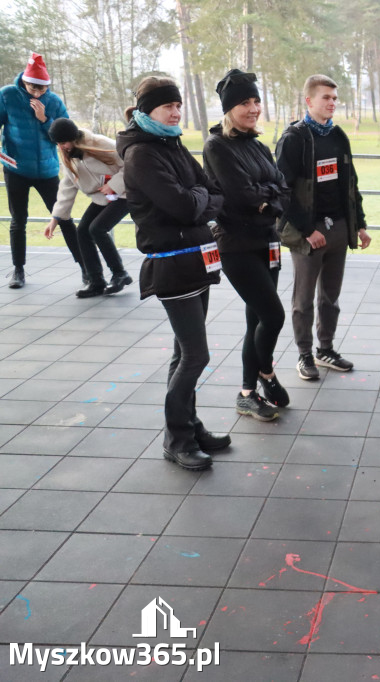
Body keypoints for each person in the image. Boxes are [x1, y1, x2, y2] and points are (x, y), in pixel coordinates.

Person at [117, 76, 230, 471]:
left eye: (178, 105)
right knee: (197, 354)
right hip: (170, 264)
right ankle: (176, 438)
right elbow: (185, 205)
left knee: (185, 352)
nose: (176, 112)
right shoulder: (141, 156)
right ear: (147, 110)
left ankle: (189, 427)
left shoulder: (172, 143)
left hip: (196, 259)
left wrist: (198, 199)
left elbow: (213, 191)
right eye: (168, 106)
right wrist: (199, 200)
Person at [203, 69, 290, 423]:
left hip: (268, 241)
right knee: (273, 315)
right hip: (236, 245)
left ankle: (248, 391)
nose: (253, 108)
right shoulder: (216, 146)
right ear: (228, 108)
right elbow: (239, 194)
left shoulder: (257, 145)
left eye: (256, 101)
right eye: (244, 102)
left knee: (256, 317)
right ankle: (264, 376)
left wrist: (266, 199)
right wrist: (266, 198)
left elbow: (281, 188)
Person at [276, 74, 370, 382]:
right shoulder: (294, 139)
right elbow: (283, 191)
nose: (332, 103)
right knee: (303, 300)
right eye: (325, 98)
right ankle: (305, 354)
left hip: (339, 228)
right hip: (308, 234)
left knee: (331, 296)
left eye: (334, 98)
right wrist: (306, 230)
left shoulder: (338, 136)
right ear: (309, 101)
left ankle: (325, 349)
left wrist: (360, 224)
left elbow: (350, 184)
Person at [1, 52, 82, 289]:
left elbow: (69, 135)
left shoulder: (54, 101)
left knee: (64, 218)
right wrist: (4, 157)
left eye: (42, 89)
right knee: (18, 220)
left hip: (47, 170)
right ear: (24, 81)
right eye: (32, 88)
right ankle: (18, 271)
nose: (37, 93)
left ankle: (87, 269)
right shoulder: (6, 96)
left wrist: (44, 118)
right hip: (16, 169)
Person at [45, 117, 132, 297]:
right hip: (102, 197)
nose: (61, 147)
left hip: (125, 194)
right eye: (58, 144)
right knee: (83, 231)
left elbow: (131, 164)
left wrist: (114, 185)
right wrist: (56, 218)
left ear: (74, 137)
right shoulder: (68, 156)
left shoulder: (101, 143)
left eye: (63, 142)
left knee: (97, 229)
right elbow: (67, 187)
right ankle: (96, 281)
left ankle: (120, 274)